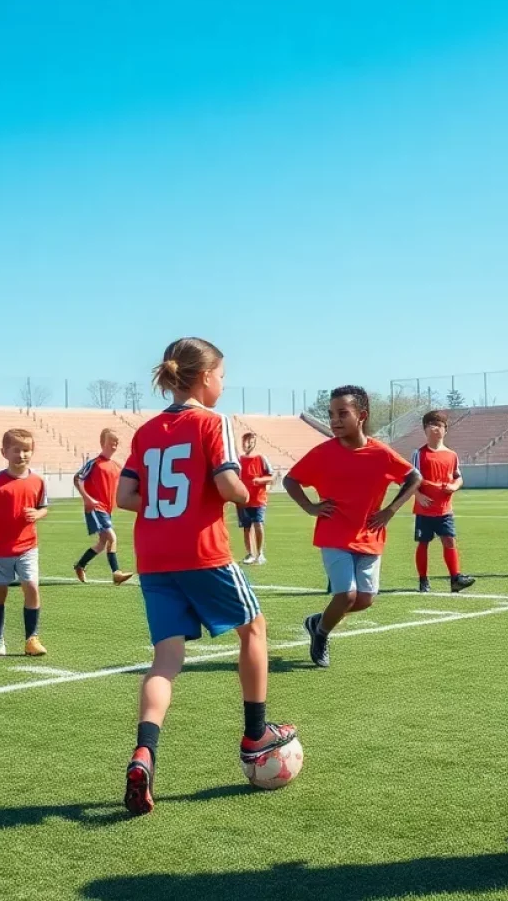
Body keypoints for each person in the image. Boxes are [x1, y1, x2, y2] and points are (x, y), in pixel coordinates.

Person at [118, 337, 296, 816]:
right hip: (201, 551)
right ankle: (257, 731)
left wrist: (167, 503)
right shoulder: (213, 421)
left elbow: (126, 497)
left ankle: (144, 753)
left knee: (165, 661)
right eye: (222, 375)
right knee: (254, 628)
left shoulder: (147, 430)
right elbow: (226, 485)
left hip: (153, 554)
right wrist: (252, 489)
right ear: (204, 377)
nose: (224, 383)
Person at [283, 385, 421, 668]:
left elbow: (414, 477)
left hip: (370, 534)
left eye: (342, 413)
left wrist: (390, 510)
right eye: (331, 414)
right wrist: (310, 507)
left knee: (364, 600)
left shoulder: (381, 453)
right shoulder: (322, 453)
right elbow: (290, 480)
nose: (334, 420)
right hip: (334, 533)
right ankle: (322, 635)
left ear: (362, 415)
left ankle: (316, 623)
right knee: (346, 594)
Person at [0, 429, 50, 658]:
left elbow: (44, 508)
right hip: (0, 549)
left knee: (31, 587)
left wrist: (37, 515)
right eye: (16, 450)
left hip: (28, 546)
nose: (22, 454)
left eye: (26, 450)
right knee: (0, 592)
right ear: (4, 452)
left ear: (32, 451)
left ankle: (31, 639)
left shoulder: (38, 480)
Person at [410, 410, 475, 594]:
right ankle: (423, 580)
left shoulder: (451, 455)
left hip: (445, 509)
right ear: (425, 429)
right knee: (423, 543)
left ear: (445, 429)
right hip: (425, 509)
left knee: (449, 541)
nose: (435, 428)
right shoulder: (419, 454)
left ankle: (455, 578)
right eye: (431, 425)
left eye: (439, 425)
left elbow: (458, 478)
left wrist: (454, 487)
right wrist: (418, 495)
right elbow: (411, 479)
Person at [73, 427, 134, 585]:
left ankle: (80, 565)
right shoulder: (95, 463)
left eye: (116, 442)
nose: (114, 444)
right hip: (96, 508)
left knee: (102, 543)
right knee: (112, 538)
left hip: (107, 510)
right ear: (102, 442)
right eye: (111, 441)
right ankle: (116, 573)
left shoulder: (115, 466)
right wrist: (87, 499)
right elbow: (77, 478)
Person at [237, 431, 274, 565]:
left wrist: (260, 480)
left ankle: (260, 554)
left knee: (258, 524)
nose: (248, 444)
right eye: (245, 441)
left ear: (254, 443)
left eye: (251, 441)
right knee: (246, 528)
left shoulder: (261, 458)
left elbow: (271, 477)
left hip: (258, 499)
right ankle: (250, 554)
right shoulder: (238, 460)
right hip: (243, 500)